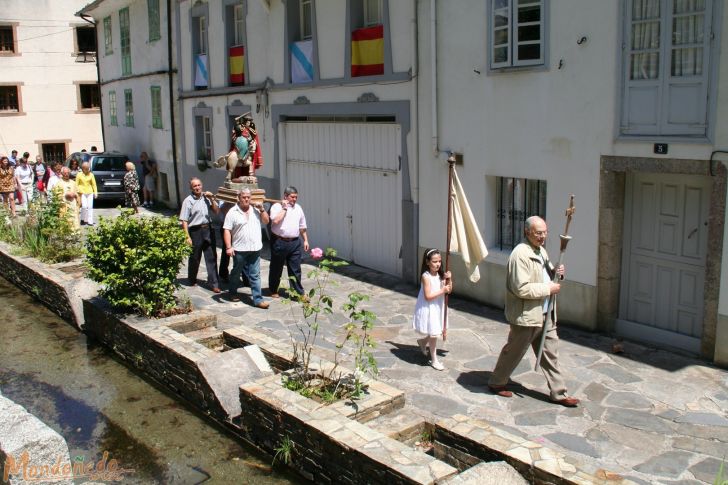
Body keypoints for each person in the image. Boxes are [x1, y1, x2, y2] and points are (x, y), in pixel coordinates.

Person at [487, 216, 580, 407]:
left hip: (546, 314)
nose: (543, 236)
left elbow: (546, 276)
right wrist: (549, 289)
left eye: (545, 232)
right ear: (527, 232)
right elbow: (520, 288)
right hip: (527, 315)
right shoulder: (519, 255)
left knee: (550, 355)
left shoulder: (540, 251)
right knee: (514, 351)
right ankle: (497, 381)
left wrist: (557, 273)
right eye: (538, 233)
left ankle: (559, 393)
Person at [223, 188, 270, 308]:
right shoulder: (232, 212)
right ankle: (232, 292)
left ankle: (258, 299)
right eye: (244, 197)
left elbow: (266, 221)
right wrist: (228, 247)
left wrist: (262, 209)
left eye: (248, 197)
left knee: (255, 274)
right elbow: (227, 230)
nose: (246, 199)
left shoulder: (256, 210)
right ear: (239, 198)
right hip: (240, 249)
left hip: (255, 248)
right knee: (236, 272)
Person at [413, 249, 452, 371]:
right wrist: (443, 290)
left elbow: (449, 290)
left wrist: (449, 279)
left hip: (438, 306)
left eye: (439, 261)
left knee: (435, 330)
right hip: (429, 307)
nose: (438, 264)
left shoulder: (441, 275)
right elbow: (428, 296)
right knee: (434, 333)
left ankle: (423, 342)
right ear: (427, 262)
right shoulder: (426, 276)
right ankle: (434, 359)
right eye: (435, 261)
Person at [179, 177, 221, 293]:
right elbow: (184, 220)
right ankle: (192, 278)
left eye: (199, 185)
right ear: (191, 188)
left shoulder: (206, 198)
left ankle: (214, 283)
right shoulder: (188, 201)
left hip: (208, 228)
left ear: (201, 185)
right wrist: (187, 236)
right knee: (195, 257)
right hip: (195, 231)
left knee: (211, 257)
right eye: (195, 186)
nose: (197, 188)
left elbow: (217, 211)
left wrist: (212, 199)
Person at [268, 186, 309, 298]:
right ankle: (273, 289)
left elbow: (302, 226)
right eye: (292, 197)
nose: (294, 199)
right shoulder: (276, 207)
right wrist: (284, 208)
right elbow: (275, 221)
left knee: (295, 269)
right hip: (279, 241)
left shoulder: (298, 208)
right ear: (285, 196)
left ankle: (298, 293)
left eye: (296, 197)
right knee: (276, 268)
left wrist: (305, 240)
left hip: (295, 242)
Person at [76, 161, 98, 225]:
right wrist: (77, 191)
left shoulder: (91, 174)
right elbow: (76, 184)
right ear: (83, 168)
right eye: (86, 168)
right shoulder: (79, 174)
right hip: (82, 192)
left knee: (90, 207)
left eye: (88, 168)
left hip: (90, 192)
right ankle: (83, 219)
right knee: (84, 206)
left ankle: (90, 221)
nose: (88, 169)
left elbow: (94, 184)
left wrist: (96, 193)